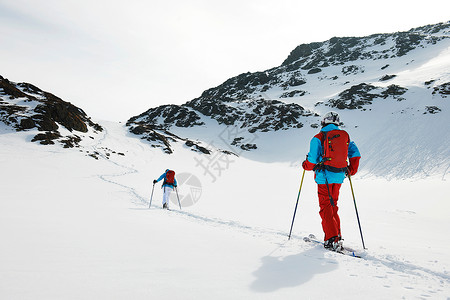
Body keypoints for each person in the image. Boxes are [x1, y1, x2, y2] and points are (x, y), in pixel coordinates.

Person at [302, 112, 361, 251]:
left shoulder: (318, 137)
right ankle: (337, 236)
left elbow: (311, 160)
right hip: (339, 176)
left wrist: (305, 166)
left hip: (324, 178)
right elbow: (355, 153)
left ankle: (331, 239)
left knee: (325, 207)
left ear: (323, 123)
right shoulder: (345, 137)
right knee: (333, 206)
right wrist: (351, 170)